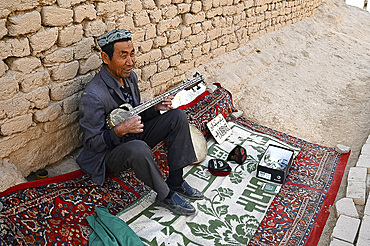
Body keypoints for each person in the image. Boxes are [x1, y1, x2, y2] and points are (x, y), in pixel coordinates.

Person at [76, 29, 204, 216]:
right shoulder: (94, 95)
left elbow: (136, 114)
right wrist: (119, 130)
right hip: (109, 154)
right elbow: (91, 143)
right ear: (105, 57)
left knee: (177, 117)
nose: (130, 62)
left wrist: (155, 108)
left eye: (132, 54)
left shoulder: (130, 77)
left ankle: (176, 181)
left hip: (132, 136)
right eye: (123, 55)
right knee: (138, 148)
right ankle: (165, 194)